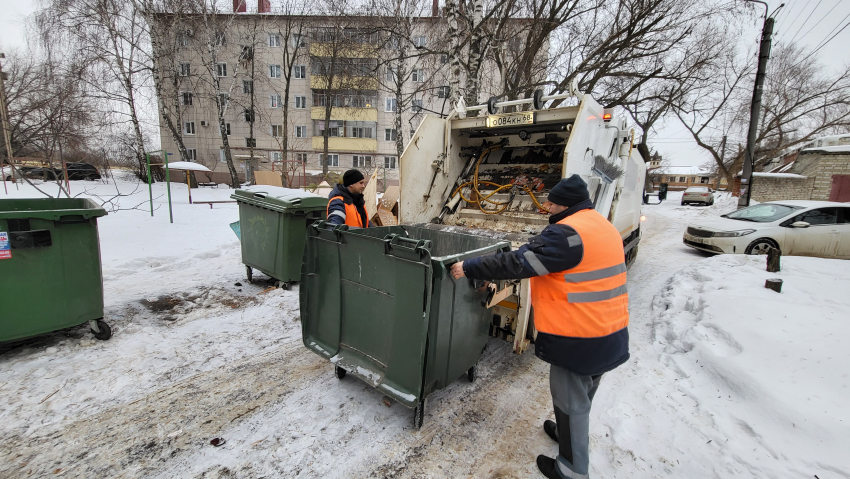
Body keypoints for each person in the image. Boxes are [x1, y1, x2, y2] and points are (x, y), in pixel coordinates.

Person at [450, 174, 629, 479]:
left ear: (566, 205)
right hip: (610, 331)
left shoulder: (567, 234)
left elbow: (517, 263)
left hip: (579, 338)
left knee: (571, 401)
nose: (546, 205)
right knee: (584, 393)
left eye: (552, 201)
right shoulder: (602, 225)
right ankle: (565, 431)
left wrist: (469, 267)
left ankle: (571, 470)